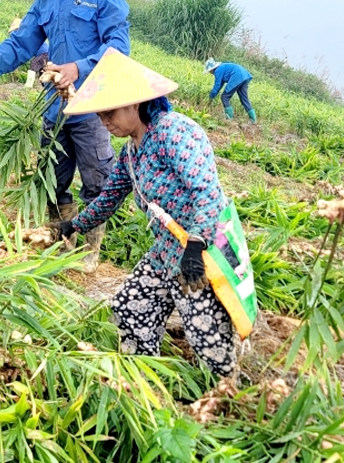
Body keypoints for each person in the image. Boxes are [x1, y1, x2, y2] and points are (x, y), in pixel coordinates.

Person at [55, 48, 237, 376]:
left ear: (135, 103)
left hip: (201, 253)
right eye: (100, 115)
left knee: (206, 337)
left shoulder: (173, 132)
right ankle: (143, 380)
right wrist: (75, 225)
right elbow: (109, 197)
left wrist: (195, 246)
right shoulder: (132, 152)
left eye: (110, 113)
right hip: (166, 250)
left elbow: (207, 191)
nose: (104, 121)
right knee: (130, 306)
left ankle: (230, 398)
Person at [0, 0, 130, 274]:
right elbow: (22, 41)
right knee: (51, 181)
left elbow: (118, 48)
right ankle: (60, 239)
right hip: (55, 111)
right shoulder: (45, 2)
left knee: (98, 182)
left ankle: (88, 252)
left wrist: (79, 67)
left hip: (93, 110)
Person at [204, 58, 257, 123]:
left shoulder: (218, 70)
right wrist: (214, 94)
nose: (209, 73)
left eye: (209, 71)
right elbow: (220, 85)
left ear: (212, 69)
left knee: (225, 97)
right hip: (244, 75)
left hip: (236, 76)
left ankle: (229, 118)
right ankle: (253, 119)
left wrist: (211, 97)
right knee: (244, 98)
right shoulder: (222, 67)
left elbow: (217, 85)